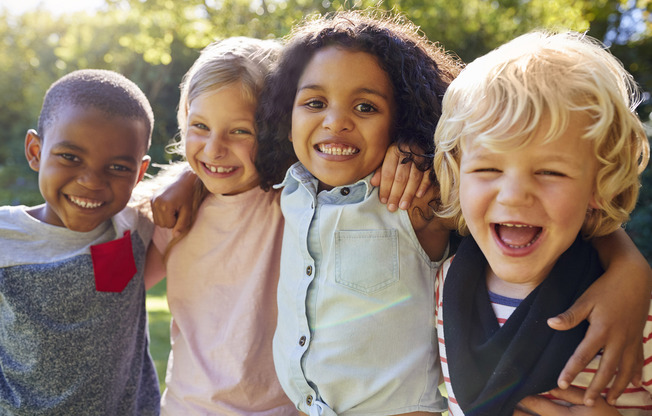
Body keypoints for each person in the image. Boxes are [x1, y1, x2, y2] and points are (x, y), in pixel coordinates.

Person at [256, 11, 652, 416]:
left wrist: (629, 267)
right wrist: (188, 181)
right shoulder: (287, 192)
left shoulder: (415, 201)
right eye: (488, 170)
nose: (513, 195)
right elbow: (224, 128)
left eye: (365, 107)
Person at [433, 30, 651, 415]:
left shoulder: (633, 312)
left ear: (598, 187)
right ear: (456, 172)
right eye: (487, 167)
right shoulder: (444, 282)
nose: (514, 194)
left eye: (550, 171)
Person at [143, 37, 298, 415]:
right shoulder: (172, 210)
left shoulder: (295, 200)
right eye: (200, 126)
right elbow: (115, 292)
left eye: (240, 131)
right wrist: (186, 179)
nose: (213, 149)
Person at [0, 69, 160, 414]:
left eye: (117, 167)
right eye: (70, 157)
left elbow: (201, 180)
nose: (91, 182)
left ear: (140, 172)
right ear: (35, 151)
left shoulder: (134, 225)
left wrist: (178, 187)